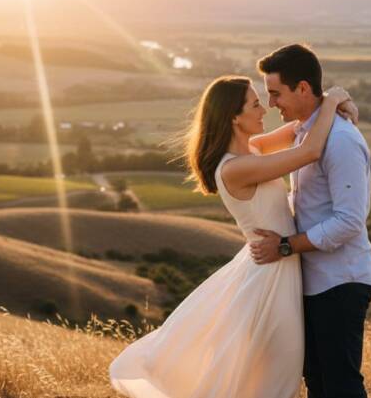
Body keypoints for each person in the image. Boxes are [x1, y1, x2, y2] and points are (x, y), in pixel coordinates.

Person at [109, 72, 357, 398]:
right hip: (269, 279)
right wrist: (335, 97)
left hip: (277, 267)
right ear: (234, 117)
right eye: (255, 104)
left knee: (275, 377)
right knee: (276, 380)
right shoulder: (234, 169)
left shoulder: (251, 150)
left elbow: (301, 127)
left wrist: (330, 103)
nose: (265, 109)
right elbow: (309, 150)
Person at [249, 43, 371, 398]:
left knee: (341, 385)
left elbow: (349, 221)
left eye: (276, 93)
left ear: (303, 88)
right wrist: (334, 99)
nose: (271, 103)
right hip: (313, 281)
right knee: (318, 382)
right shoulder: (305, 131)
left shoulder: (340, 140)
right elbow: (254, 146)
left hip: (341, 280)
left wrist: (285, 246)